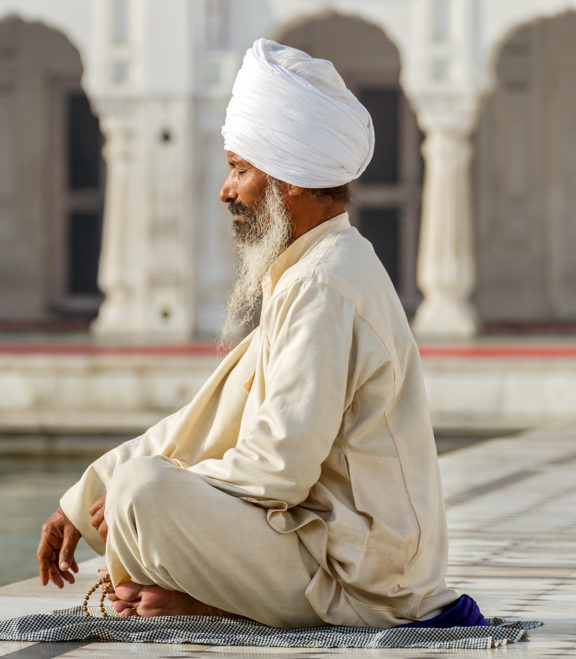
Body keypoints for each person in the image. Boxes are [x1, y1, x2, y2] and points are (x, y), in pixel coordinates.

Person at [36, 38, 467, 628]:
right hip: (333, 551)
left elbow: (277, 466)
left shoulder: (323, 283)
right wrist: (80, 502)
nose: (226, 190)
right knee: (141, 487)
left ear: (290, 180)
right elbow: (207, 419)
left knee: (146, 492)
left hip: (370, 582)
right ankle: (201, 600)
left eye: (240, 169)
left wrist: (147, 490)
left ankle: (208, 605)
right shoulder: (313, 268)